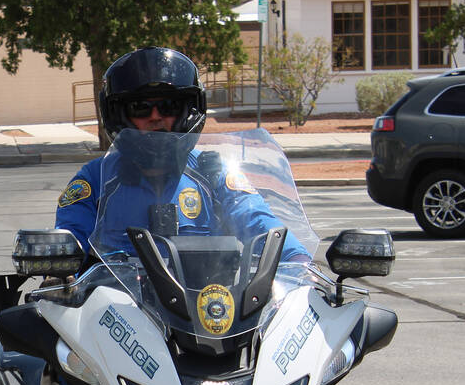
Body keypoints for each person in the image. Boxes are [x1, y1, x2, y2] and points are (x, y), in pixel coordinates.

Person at [55, 46, 310, 263]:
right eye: (140, 107)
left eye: (169, 106)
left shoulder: (213, 173)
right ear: (119, 114)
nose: (155, 117)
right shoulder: (95, 179)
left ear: (187, 111)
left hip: (207, 310)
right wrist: (59, 269)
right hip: (116, 311)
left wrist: (298, 263)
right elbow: (69, 237)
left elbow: (257, 220)